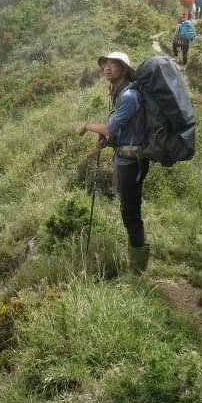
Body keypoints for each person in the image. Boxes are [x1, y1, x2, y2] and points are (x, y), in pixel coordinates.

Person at [73, 51, 150, 273]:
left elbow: (109, 128)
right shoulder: (122, 93)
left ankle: (138, 268)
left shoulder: (127, 97)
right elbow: (123, 129)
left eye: (113, 64)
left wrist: (87, 126)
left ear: (124, 69)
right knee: (128, 210)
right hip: (126, 158)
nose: (107, 67)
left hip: (131, 162)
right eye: (105, 64)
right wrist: (108, 142)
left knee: (130, 212)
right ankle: (137, 260)